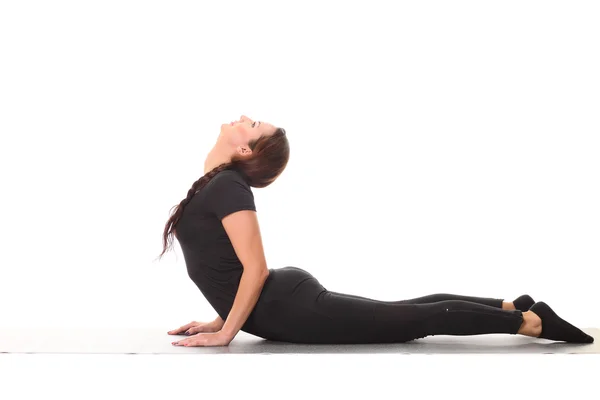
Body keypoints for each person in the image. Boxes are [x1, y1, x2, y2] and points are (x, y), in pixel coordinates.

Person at [158, 115, 594, 347]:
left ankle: (531, 322)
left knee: (414, 320)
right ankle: (508, 304)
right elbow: (226, 265)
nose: (245, 116)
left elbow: (254, 269)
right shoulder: (220, 183)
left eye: (252, 124)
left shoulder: (229, 186)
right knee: (404, 310)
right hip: (285, 304)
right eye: (252, 122)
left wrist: (225, 333)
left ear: (244, 149)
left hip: (292, 308)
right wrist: (217, 317)